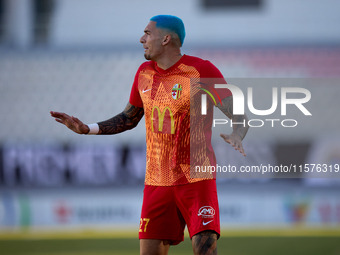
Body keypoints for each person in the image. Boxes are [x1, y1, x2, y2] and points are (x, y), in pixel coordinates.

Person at [50, 15, 248, 255]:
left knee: (204, 251)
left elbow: (239, 115)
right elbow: (129, 118)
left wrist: (237, 134)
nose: (142, 39)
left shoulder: (201, 70)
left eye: (147, 33)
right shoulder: (144, 72)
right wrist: (88, 128)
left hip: (196, 179)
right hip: (157, 180)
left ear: (166, 39)